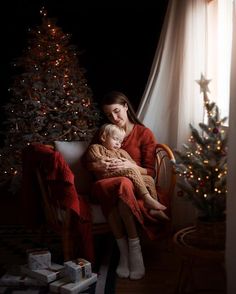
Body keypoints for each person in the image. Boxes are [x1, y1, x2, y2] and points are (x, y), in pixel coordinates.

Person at [86, 91, 171, 280]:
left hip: (129, 184)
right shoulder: (105, 131)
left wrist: (131, 166)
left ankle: (132, 253)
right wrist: (96, 165)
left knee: (124, 185)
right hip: (105, 183)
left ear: (126, 106)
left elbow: (151, 172)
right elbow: (89, 160)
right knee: (121, 185)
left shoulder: (143, 133)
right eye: (109, 115)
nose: (114, 118)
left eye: (117, 111)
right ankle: (127, 254)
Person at [86, 123, 169, 219]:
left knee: (149, 179)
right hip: (106, 174)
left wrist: (128, 163)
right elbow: (96, 158)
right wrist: (111, 161)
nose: (118, 143)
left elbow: (132, 164)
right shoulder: (96, 147)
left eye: (120, 141)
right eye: (115, 139)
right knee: (131, 171)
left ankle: (154, 208)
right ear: (104, 137)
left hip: (121, 173)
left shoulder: (122, 152)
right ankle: (147, 199)